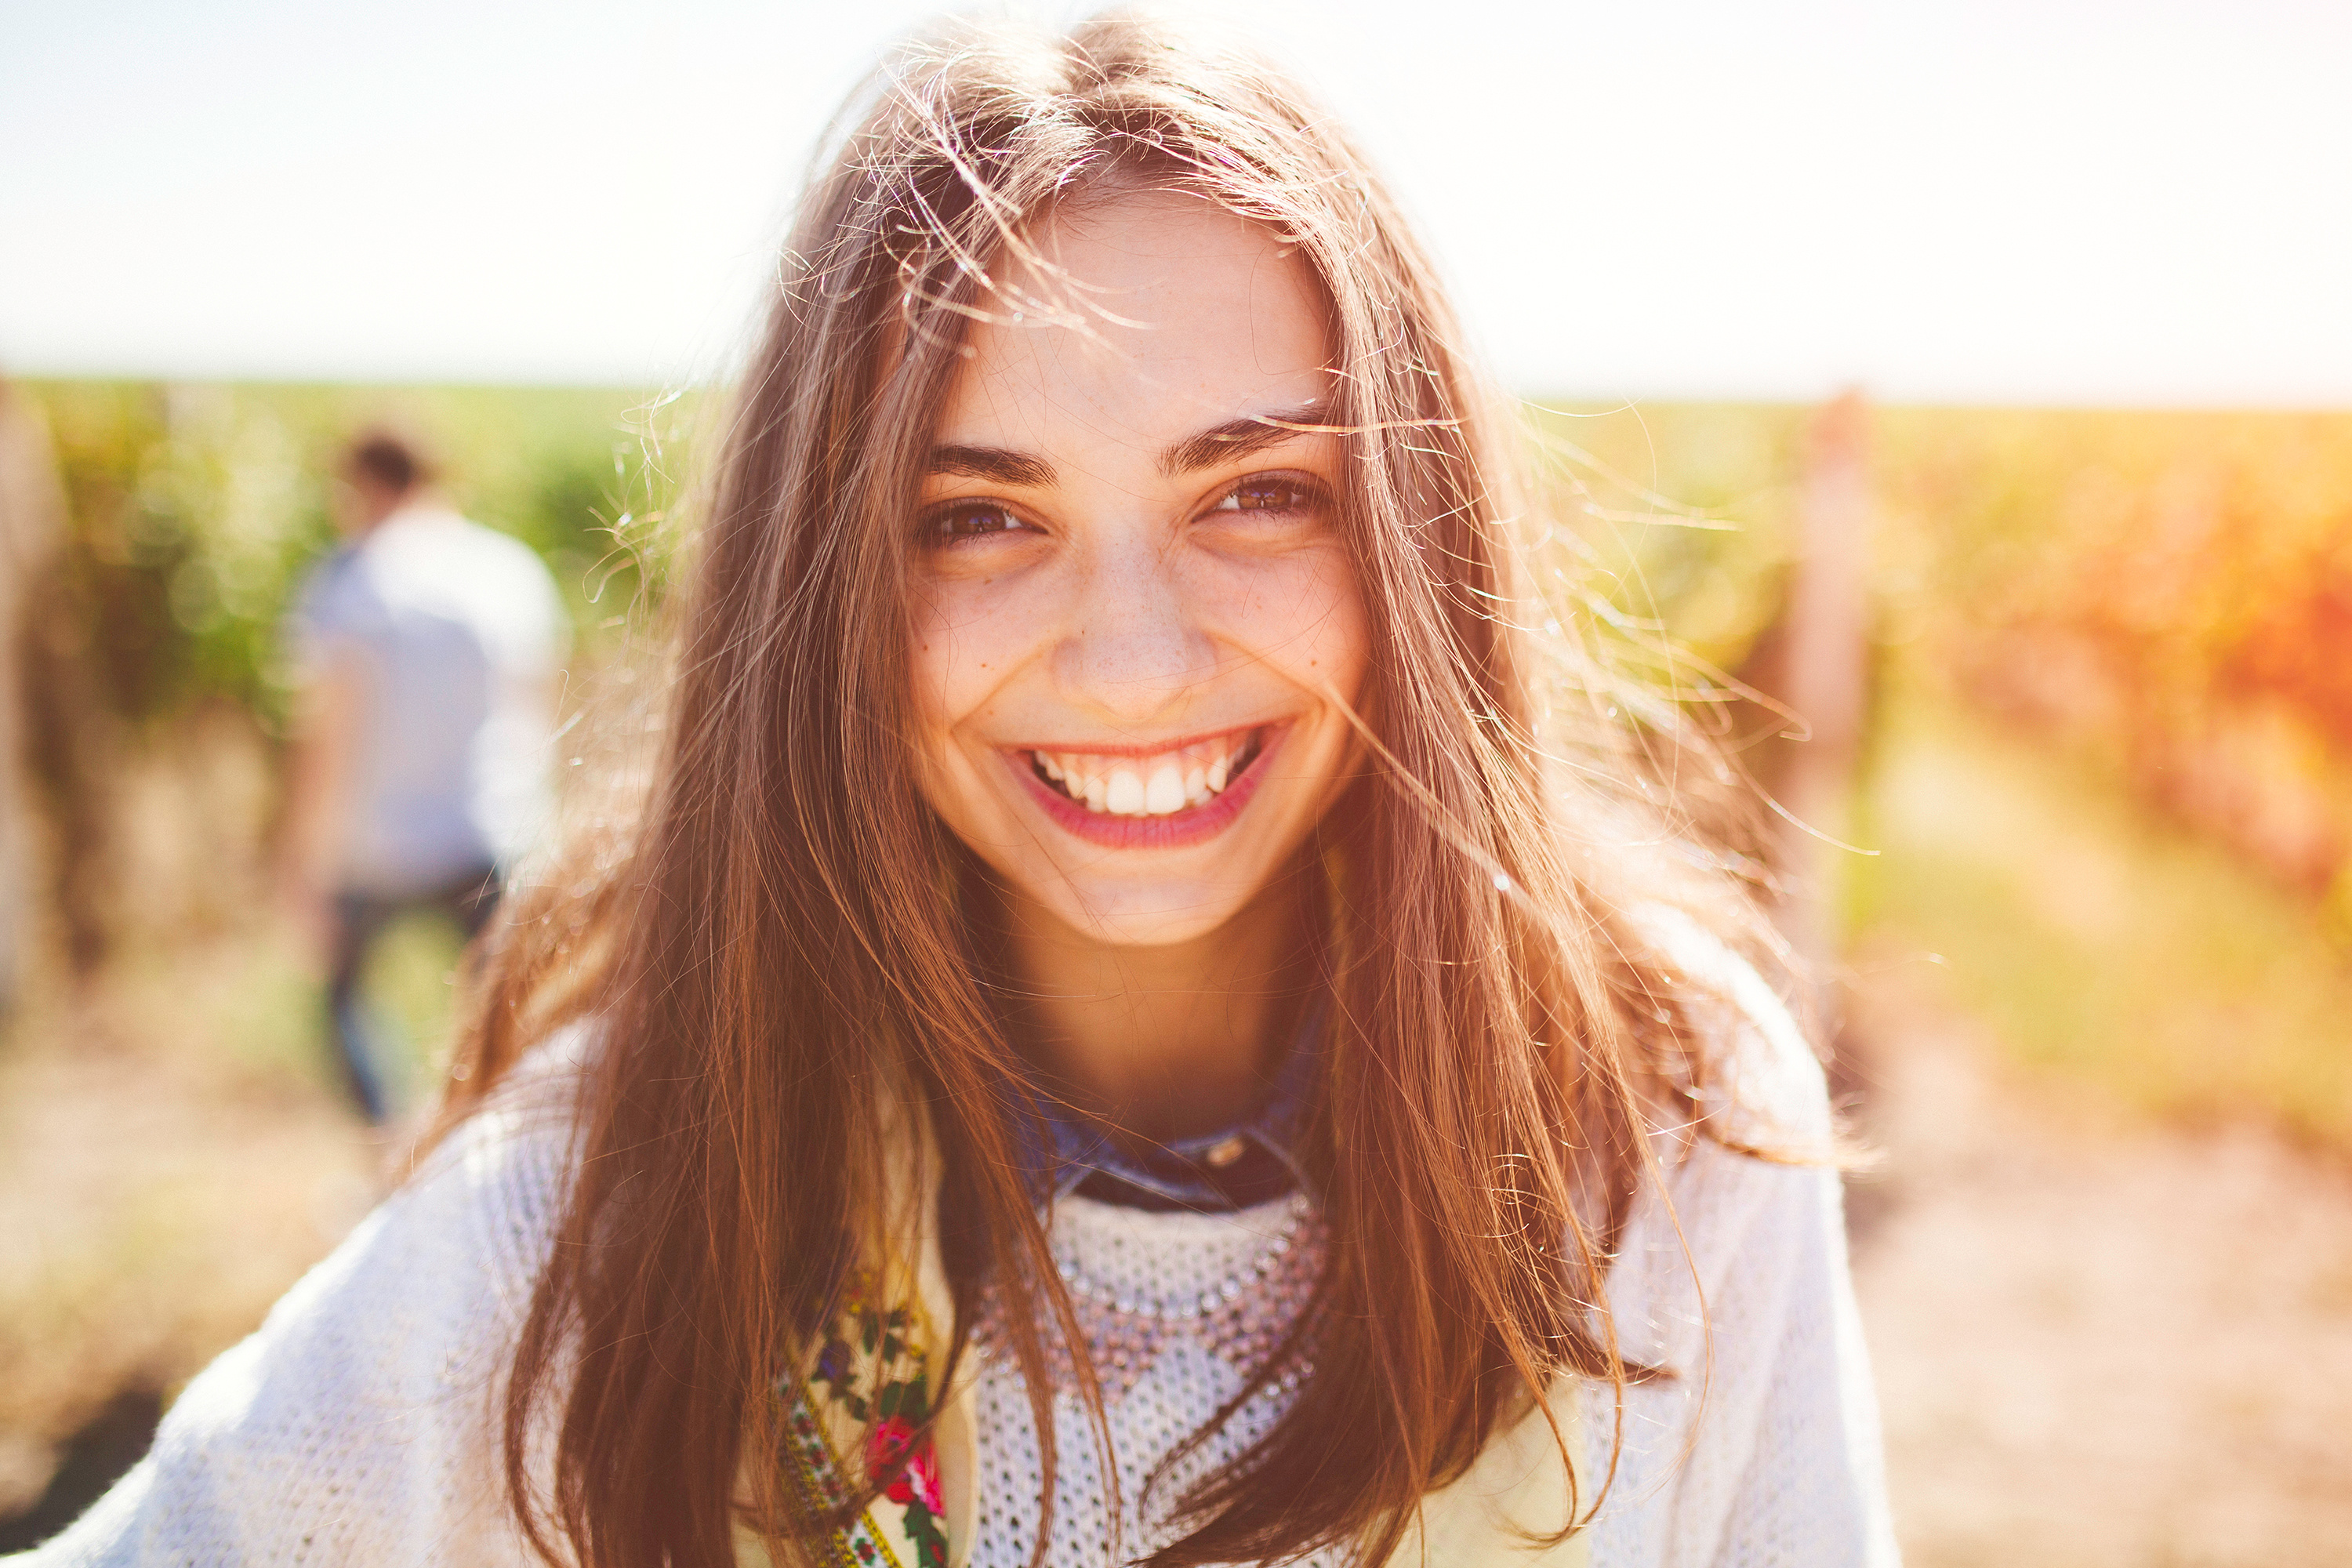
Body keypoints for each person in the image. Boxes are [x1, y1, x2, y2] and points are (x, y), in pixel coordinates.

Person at [19, 16, 1896, 1565]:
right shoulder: (614, 1195)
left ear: (1414, 536)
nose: (1137, 658)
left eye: (1254, 492)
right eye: (978, 519)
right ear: (823, 589)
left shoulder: (1665, 1121)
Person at [275, 429, 564, 1123]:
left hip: (376, 846)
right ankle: (481, 1150)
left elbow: (327, 733)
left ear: (364, 486)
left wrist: (298, 858)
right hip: (490, 833)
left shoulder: (351, 581)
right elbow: (544, 706)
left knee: (342, 999)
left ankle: (389, 1153)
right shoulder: (509, 571)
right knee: (505, 1020)